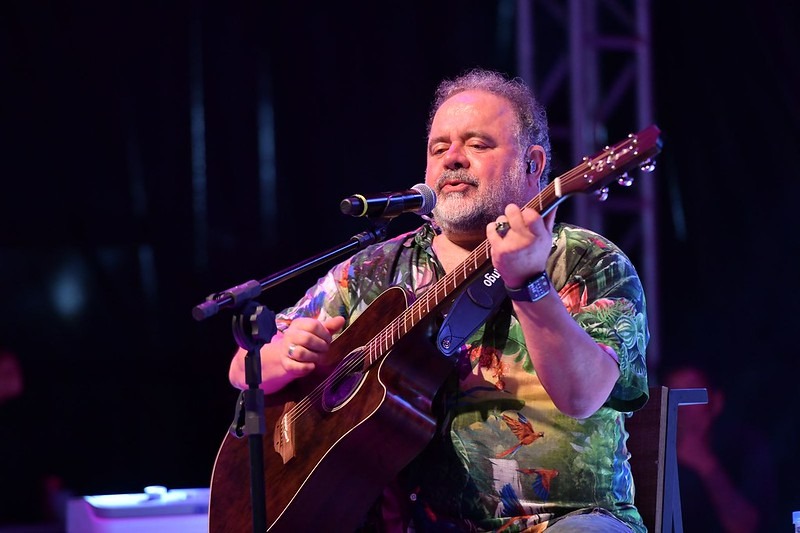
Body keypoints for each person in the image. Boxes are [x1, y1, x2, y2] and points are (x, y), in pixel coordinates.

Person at [228, 68, 650, 532]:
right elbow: (244, 367)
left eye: (477, 144)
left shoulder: (584, 262)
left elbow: (581, 394)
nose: (453, 158)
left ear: (532, 164)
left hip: (563, 521)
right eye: (439, 147)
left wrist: (530, 281)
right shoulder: (377, 269)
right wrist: (283, 357)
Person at [661, 362, 778, 533]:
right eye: (675, 394)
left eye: (692, 394)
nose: (682, 406)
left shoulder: (744, 446)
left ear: (716, 402)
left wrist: (706, 466)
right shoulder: (654, 452)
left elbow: (746, 526)